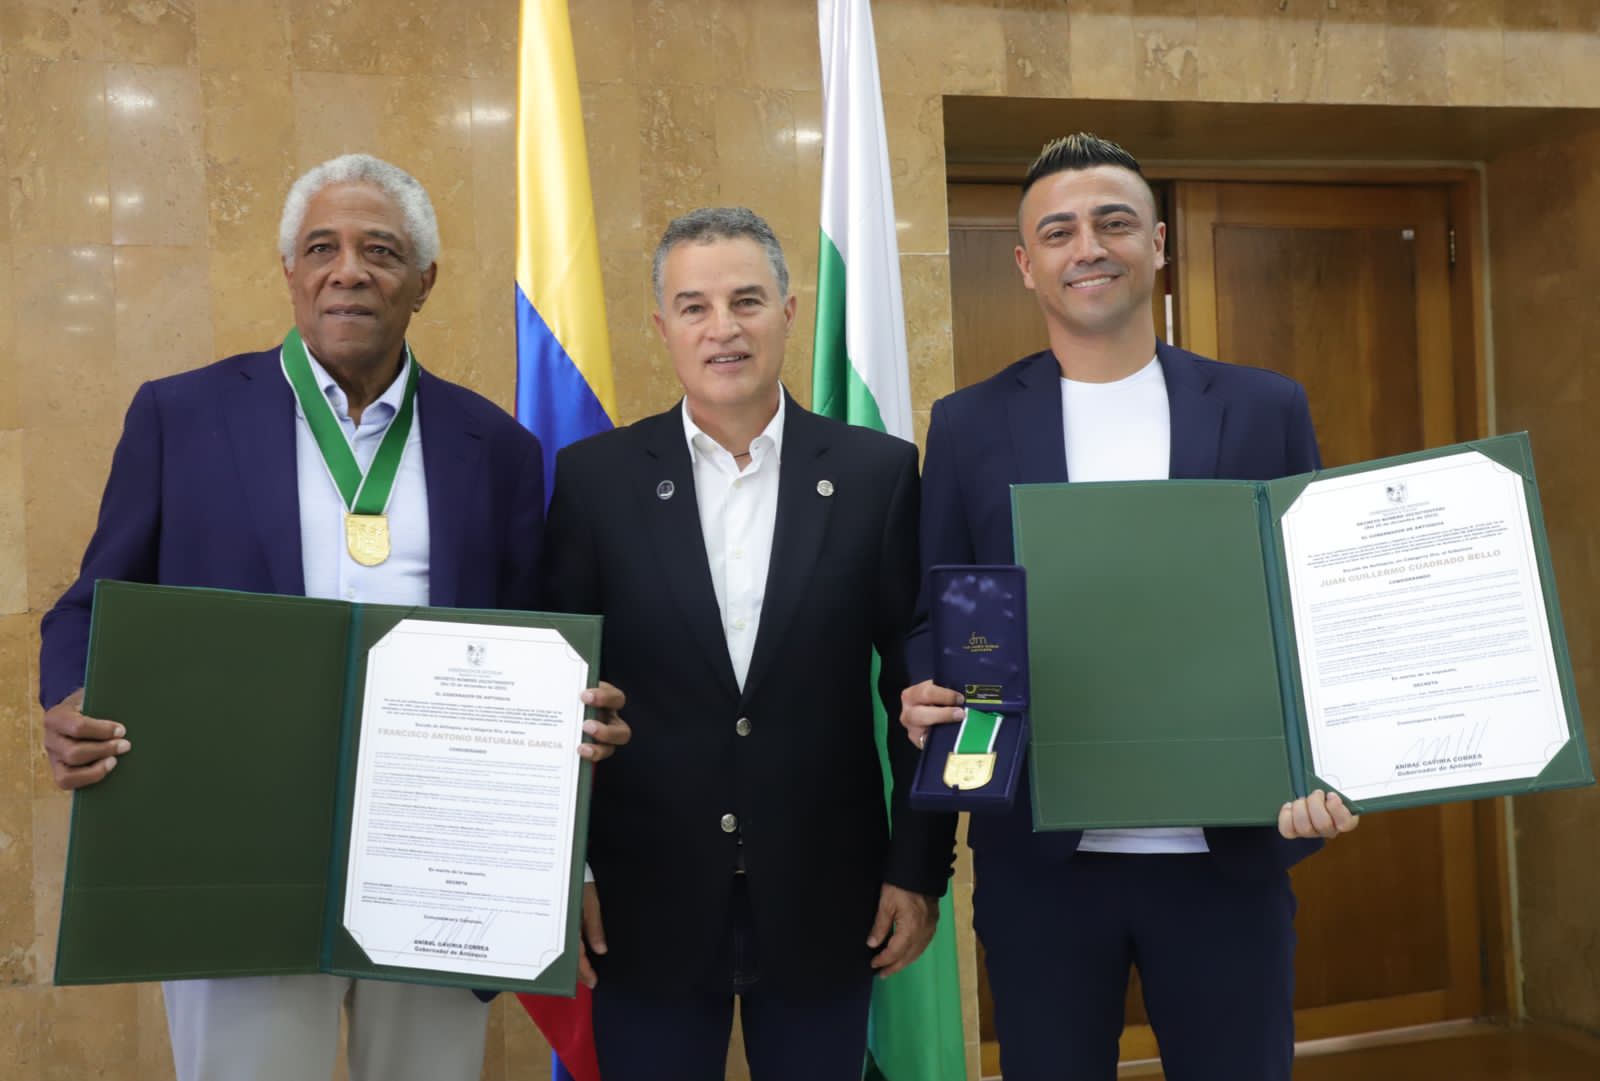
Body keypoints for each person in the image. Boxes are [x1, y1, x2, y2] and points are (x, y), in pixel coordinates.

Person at [37, 153, 628, 1081]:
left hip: (436, 858)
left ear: (424, 281)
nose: (348, 270)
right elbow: (86, 605)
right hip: (238, 850)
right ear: (290, 273)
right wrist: (72, 699)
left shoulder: (499, 449)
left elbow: (537, 638)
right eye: (323, 247)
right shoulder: (180, 417)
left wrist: (570, 715)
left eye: (380, 250)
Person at [899, 133, 1360, 1081]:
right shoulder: (970, 423)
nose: (1089, 247)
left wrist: (1337, 766)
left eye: (1114, 223)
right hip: (1044, 862)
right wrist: (921, 687)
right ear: (1027, 265)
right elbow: (930, 610)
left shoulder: (1264, 407)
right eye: (1058, 232)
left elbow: (1317, 613)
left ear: (1158, 243)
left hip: (1228, 855)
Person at [541, 207, 955, 1081]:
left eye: (747, 300)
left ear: (790, 311)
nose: (722, 328)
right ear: (662, 327)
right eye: (694, 306)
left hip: (829, 897)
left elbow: (918, 690)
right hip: (641, 901)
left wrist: (919, 870)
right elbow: (558, 694)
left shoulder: (878, 474)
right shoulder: (594, 482)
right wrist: (561, 874)